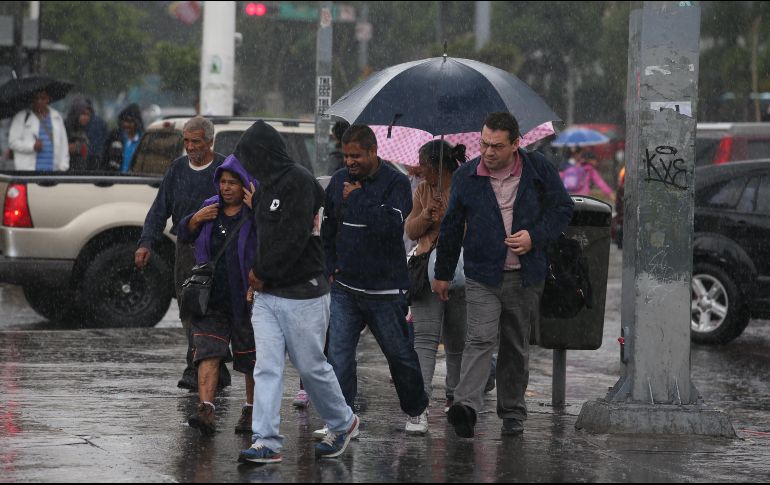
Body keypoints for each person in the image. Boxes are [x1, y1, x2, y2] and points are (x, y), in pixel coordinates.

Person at [433, 112, 574, 438]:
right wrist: (442, 273)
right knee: (479, 339)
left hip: (524, 277)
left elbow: (562, 209)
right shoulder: (468, 176)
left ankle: (512, 413)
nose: (488, 151)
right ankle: (466, 407)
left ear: (515, 144)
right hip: (483, 274)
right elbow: (452, 226)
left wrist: (534, 237)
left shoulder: (538, 170)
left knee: (514, 345)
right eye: (484, 144)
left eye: (497, 146)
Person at [236, 120, 358, 464]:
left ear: (266, 153)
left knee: (312, 365)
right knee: (267, 367)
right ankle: (266, 440)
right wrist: (257, 279)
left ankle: (343, 422)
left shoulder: (300, 183)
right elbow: (265, 238)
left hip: (303, 294)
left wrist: (260, 272)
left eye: (252, 158)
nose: (249, 167)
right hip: (267, 296)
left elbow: (292, 239)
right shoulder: (263, 187)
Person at [320, 124, 429, 436]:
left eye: (357, 155)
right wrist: (331, 266)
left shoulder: (395, 182)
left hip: (386, 289)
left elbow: (392, 225)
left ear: (373, 152)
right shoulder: (339, 180)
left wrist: (359, 198)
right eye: (346, 155)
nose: (350, 161)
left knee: (399, 356)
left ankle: (416, 409)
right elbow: (328, 228)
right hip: (345, 288)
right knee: (338, 357)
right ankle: (343, 420)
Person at [135, 116, 230, 392]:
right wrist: (146, 243)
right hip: (186, 249)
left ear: (210, 142)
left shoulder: (224, 169)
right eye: (186, 141)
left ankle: (206, 364)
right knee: (189, 307)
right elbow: (159, 209)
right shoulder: (177, 169)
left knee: (214, 309)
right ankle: (201, 364)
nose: (190, 147)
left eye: (196, 141)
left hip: (218, 251)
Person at [177, 154, 258, 435]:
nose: (225, 188)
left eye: (232, 183)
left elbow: (271, 243)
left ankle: (251, 410)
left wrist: (257, 210)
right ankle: (206, 409)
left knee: (250, 359)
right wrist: (195, 219)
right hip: (211, 299)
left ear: (244, 185)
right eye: (222, 182)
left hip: (246, 300)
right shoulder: (209, 208)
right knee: (208, 353)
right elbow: (184, 234)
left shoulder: (254, 211)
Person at [403, 140, 467, 434]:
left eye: (425, 165)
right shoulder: (422, 190)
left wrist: (450, 221)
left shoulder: (467, 185)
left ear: (438, 165)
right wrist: (427, 215)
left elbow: (474, 227)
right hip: (424, 269)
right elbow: (411, 230)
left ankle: (456, 399)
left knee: (457, 340)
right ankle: (420, 404)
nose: (420, 170)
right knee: (425, 340)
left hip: (461, 271)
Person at [8, 89, 69, 171]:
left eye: (43, 98)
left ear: (48, 99)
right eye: (36, 98)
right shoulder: (22, 117)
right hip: (28, 173)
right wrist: (32, 146)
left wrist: (63, 167)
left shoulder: (56, 117)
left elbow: (63, 145)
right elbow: (12, 142)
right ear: (32, 100)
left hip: (53, 173)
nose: (39, 101)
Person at [104, 103, 143, 172]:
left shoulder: (143, 141)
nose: (126, 124)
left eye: (130, 121)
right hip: (116, 180)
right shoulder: (115, 138)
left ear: (137, 122)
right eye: (124, 121)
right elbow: (105, 159)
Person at [64, 97, 93, 171]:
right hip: (67, 174)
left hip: (80, 172)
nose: (86, 117)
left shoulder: (84, 129)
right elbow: (59, 149)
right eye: (83, 114)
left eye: (88, 115)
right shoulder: (65, 127)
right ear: (76, 113)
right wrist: (75, 148)